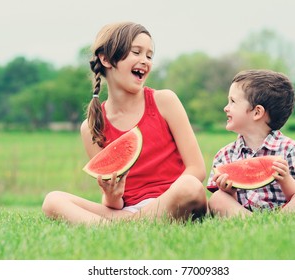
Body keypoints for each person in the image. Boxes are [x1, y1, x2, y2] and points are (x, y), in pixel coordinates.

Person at [42, 22, 207, 226]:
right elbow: (113, 202)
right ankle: (133, 225)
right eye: (136, 52)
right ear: (106, 59)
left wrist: (156, 205)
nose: (144, 61)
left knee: (191, 186)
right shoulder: (91, 127)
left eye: (149, 55)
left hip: (174, 200)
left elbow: (197, 169)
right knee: (53, 200)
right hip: (126, 212)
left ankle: (120, 228)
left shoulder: (165, 101)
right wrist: (112, 195)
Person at [207, 69, 295, 218]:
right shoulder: (224, 155)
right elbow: (229, 201)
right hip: (243, 213)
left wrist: (286, 180)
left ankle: (279, 221)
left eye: (233, 101)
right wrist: (229, 191)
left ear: (257, 112)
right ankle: (251, 223)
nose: (226, 107)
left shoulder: (292, 150)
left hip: (285, 210)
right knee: (217, 199)